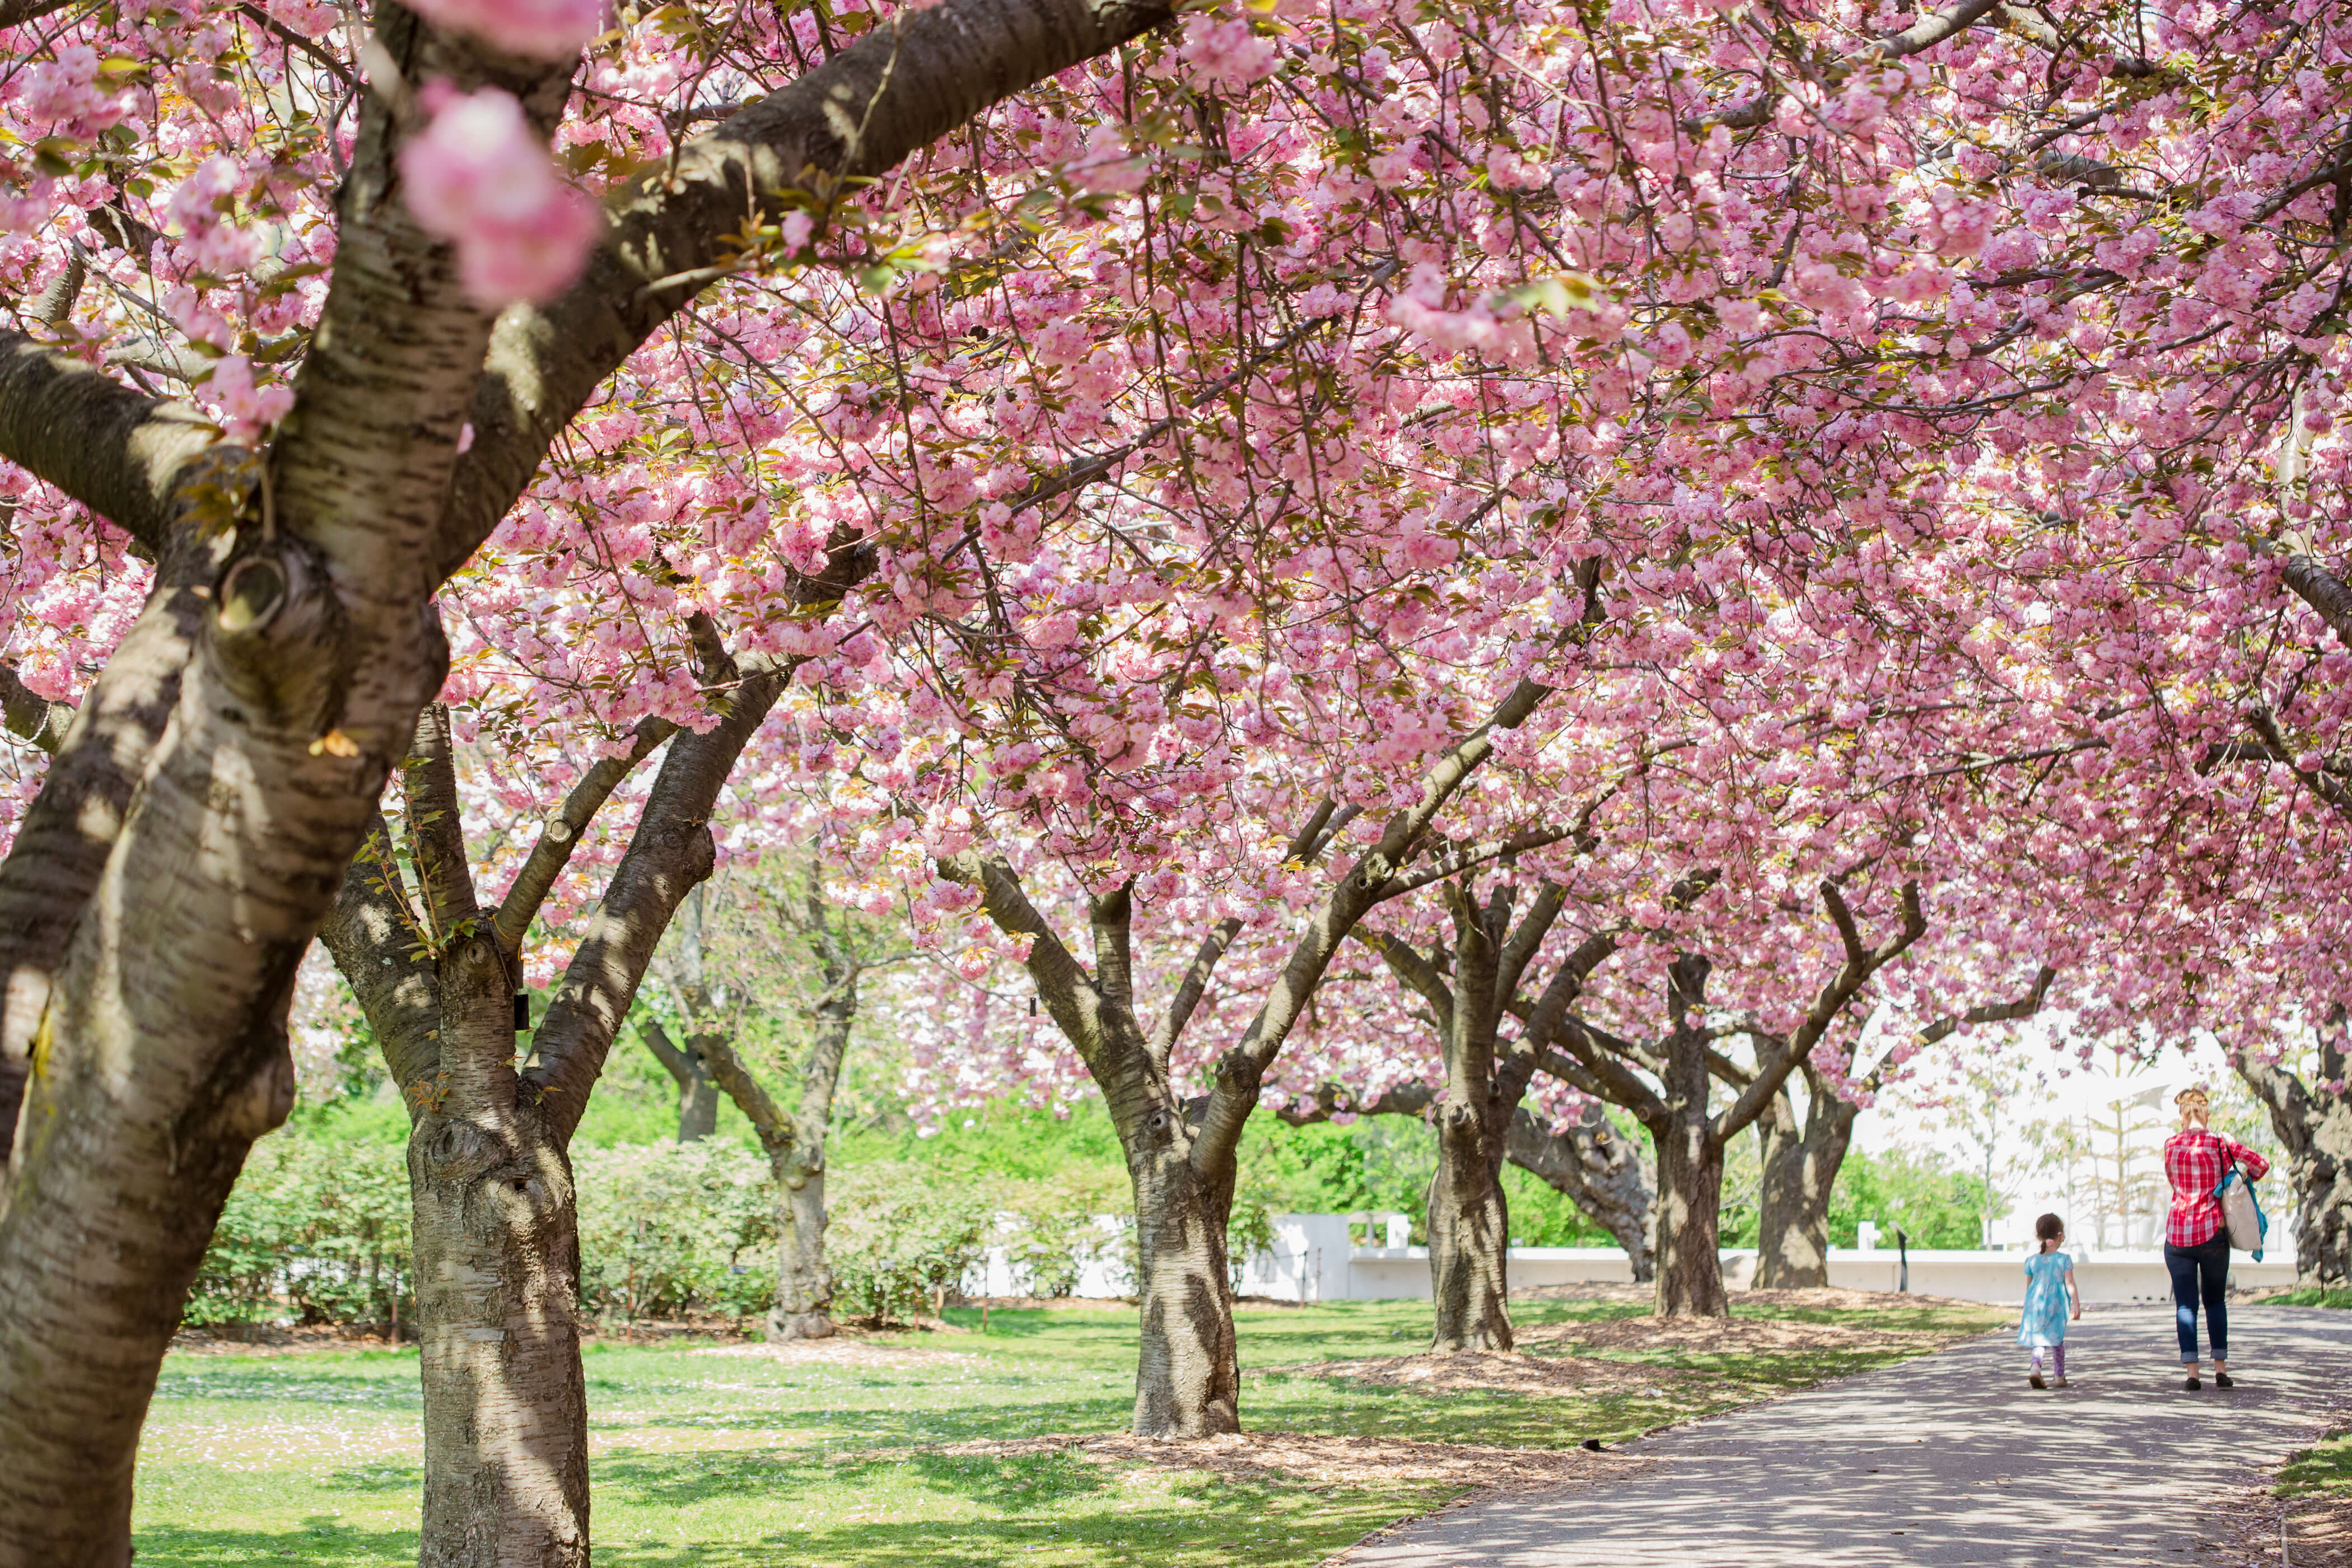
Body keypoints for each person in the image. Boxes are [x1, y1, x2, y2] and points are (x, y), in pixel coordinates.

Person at [2162, 1086, 2269, 1390]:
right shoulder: (2222, 1141)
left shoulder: (2171, 1145)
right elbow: (2262, 1165)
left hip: (2178, 1235)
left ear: (2182, 1117)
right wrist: (2239, 1176)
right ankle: (2220, 1370)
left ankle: (2192, 1374)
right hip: (2213, 1233)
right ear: (2206, 1115)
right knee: (2215, 1302)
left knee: (2185, 1305)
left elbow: (2174, 1183)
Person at [2019, 1212, 2082, 1388]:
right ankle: (2059, 1376)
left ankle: (2035, 1368)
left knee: (2040, 1340)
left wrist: (2028, 1309)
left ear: (2038, 1236)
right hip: (2057, 1306)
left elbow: (2029, 1288)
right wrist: (2076, 1305)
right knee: (2056, 1340)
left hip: (2036, 1306)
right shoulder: (2064, 1260)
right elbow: (2070, 1283)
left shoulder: (2031, 1261)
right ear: (2060, 1236)